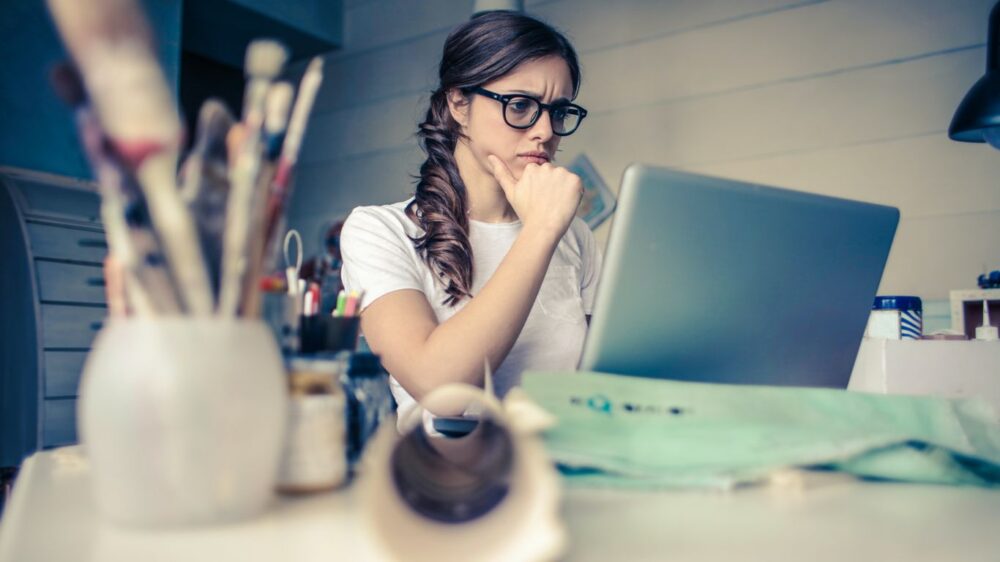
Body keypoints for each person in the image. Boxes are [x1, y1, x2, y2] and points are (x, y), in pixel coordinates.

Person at [340, 11, 601, 423]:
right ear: (458, 104)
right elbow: (441, 392)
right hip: (447, 479)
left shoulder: (576, 237)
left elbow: (597, 388)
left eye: (558, 111)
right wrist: (541, 230)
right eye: (520, 105)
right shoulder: (379, 231)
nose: (546, 131)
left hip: (563, 475)